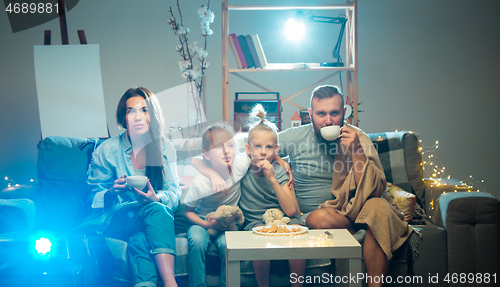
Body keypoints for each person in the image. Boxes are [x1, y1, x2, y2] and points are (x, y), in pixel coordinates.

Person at [277, 85, 413, 287]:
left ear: (344, 113)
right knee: (318, 217)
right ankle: (360, 230)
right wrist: (281, 163)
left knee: (379, 206)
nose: (328, 120)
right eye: (321, 114)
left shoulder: (358, 138)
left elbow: (376, 190)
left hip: (358, 210)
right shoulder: (294, 137)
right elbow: (257, 146)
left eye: (334, 113)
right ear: (310, 114)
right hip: (324, 216)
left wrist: (357, 151)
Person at [86, 87, 182, 287]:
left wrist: (156, 198)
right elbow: (91, 198)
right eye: (131, 111)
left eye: (144, 110)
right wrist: (111, 192)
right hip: (118, 217)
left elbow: (174, 192)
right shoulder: (107, 150)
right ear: (124, 117)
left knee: (139, 239)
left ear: (153, 115)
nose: (138, 117)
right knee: (155, 211)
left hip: (148, 221)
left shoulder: (164, 147)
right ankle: (170, 283)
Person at [238, 104, 306, 287]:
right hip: (255, 222)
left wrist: (272, 179)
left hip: (283, 221)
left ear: (276, 150)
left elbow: (292, 210)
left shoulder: (279, 171)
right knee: (259, 240)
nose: (262, 152)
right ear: (247, 148)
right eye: (257, 146)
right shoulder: (241, 169)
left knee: (298, 233)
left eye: (268, 147)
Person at [183, 123, 251, 287]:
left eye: (230, 146)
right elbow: (187, 212)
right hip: (201, 219)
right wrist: (206, 224)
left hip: (228, 221)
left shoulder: (240, 165)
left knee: (228, 245)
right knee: (197, 241)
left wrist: (283, 164)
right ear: (206, 155)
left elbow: (261, 152)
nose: (227, 151)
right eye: (219, 147)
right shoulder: (201, 182)